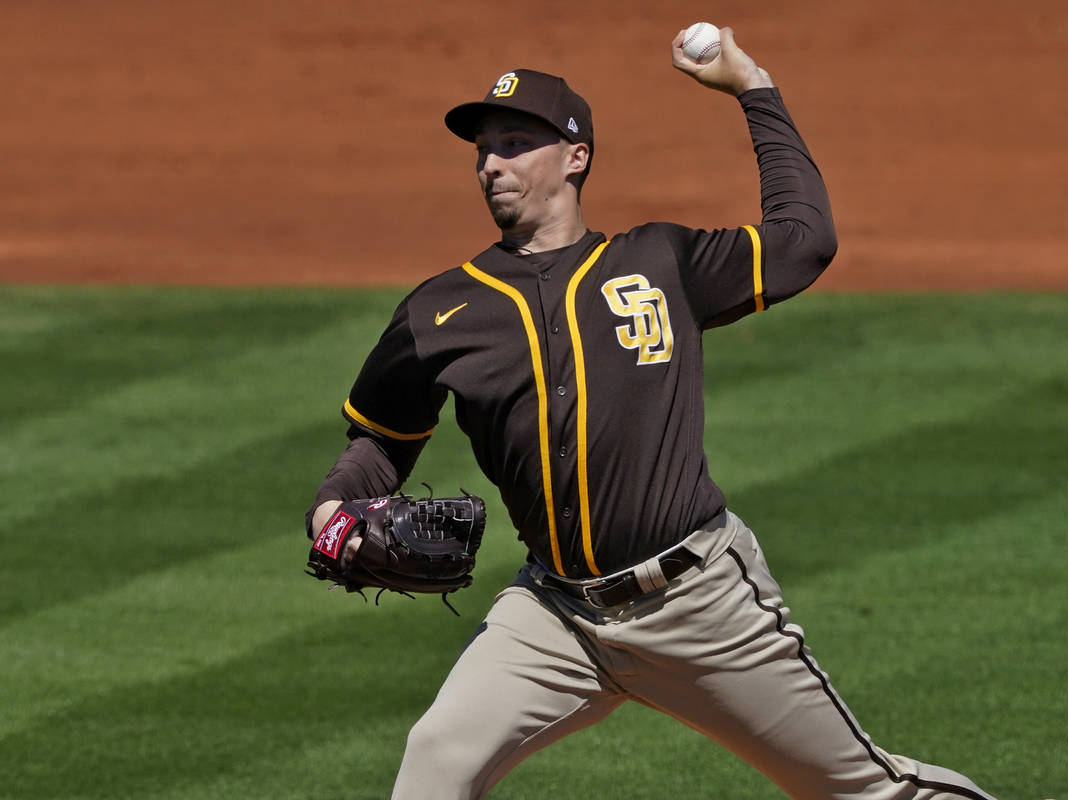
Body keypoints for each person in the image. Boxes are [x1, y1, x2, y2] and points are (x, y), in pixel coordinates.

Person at [307, 26, 996, 800]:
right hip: (556, 615)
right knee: (436, 758)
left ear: (576, 157)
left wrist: (754, 91)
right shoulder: (440, 309)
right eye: (483, 149)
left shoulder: (659, 263)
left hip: (697, 601)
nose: (492, 162)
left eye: (514, 142)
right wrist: (333, 506)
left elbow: (806, 241)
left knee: (864, 790)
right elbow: (381, 439)